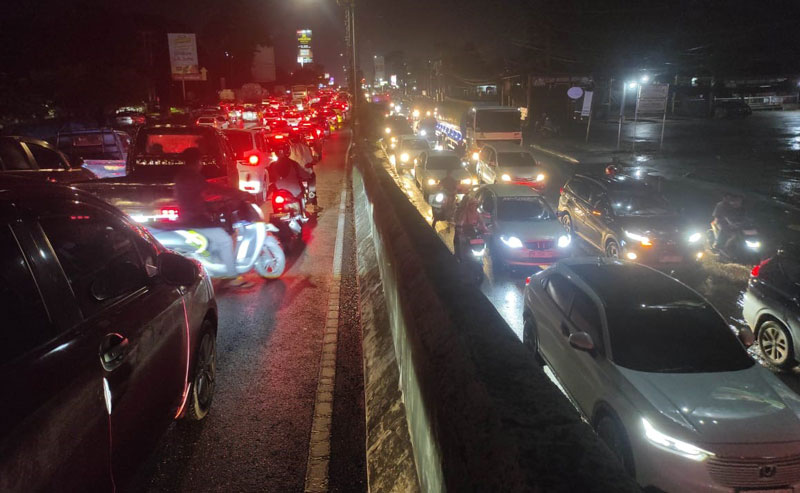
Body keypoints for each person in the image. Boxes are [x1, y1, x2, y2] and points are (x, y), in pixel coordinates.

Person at [174, 147, 253, 289]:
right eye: (201, 161)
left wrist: (212, 205)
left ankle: (219, 268)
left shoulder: (182, 176)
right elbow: (211, 189)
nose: (202, 164)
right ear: (197, 162)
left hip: (190, 216)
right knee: (225, 240)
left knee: (218, 232)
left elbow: (196, 196)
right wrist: (236, 193)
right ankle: (231, 276)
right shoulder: (191, 176)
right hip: (195, 219)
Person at [453, 194, 490, 261]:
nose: (474, 207)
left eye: (475, 205)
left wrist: (485, 230)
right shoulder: (465, 213)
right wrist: (460, 228)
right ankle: (460, 256)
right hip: (464, 230)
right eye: (472, 205)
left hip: (473, 230)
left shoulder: (477, 213)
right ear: (469, 205)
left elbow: (482, 223)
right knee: (461, 242)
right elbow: (461, 221)